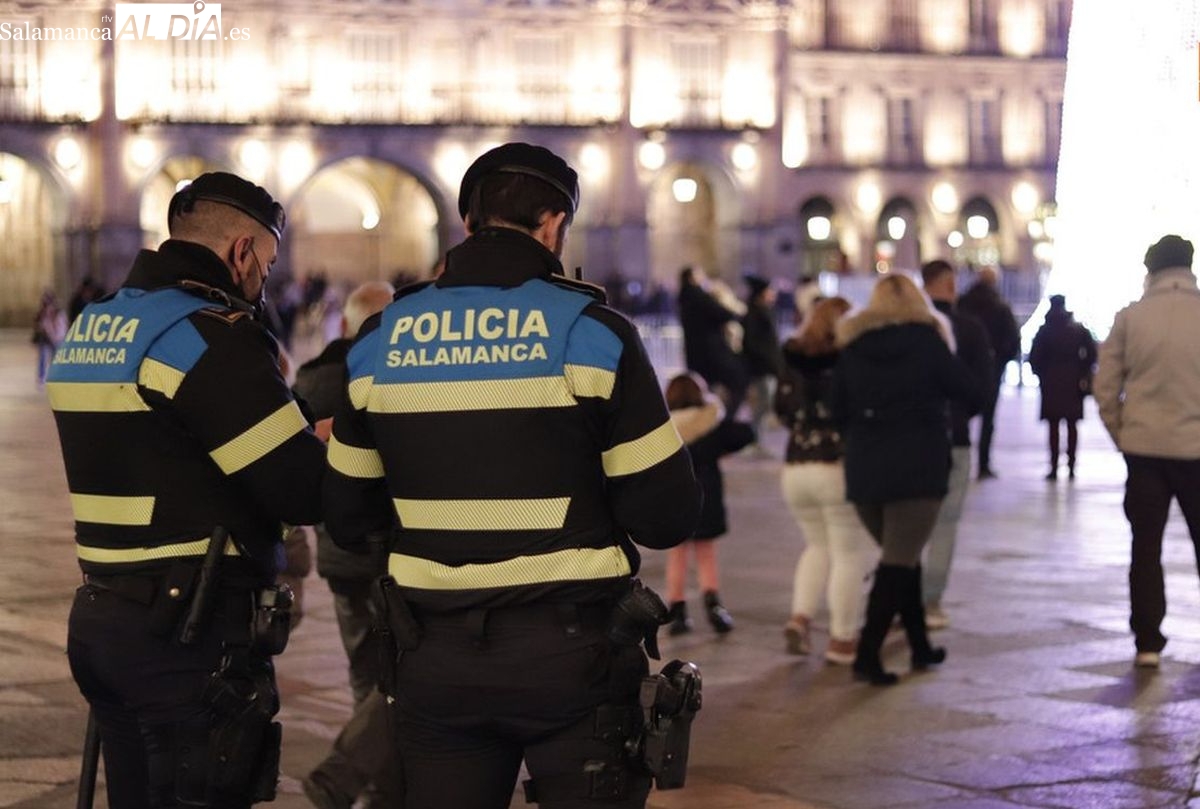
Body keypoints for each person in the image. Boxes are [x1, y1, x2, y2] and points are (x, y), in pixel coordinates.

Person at [322, 142, 703, 809]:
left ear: (468, 221)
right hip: (572, 658)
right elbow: (666, 514)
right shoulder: (592, 331)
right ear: (553, 224)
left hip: (431, 657)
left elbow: (348, 515)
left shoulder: (380, 340)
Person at [44, 172, 326, 807]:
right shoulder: (208, 335)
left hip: (105, 620)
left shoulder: (94, 327)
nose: (265, 282)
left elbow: (171, 440)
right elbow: (302, 491)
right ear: (242, 252)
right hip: (189, 636)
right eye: (268, 263)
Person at [832, 274, 979, 685]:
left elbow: (836, 407)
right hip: (919, 468)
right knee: (897, 562)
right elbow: (971, 390)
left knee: (904, 557)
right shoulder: (929, 342)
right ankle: (867, 655)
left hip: (866, 469)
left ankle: (919, 646)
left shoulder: (854, 346)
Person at [294, 280, 405, 809]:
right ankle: (360, 777)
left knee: (365, 668)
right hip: (389, 548)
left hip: (338, 553)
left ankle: (381, 788)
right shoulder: (394, 373)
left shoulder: (310, 378)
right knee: (405, 669)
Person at [1093, 235, 1200, 669]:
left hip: (1144, 450)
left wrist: (1125, 433)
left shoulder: (1130, 317)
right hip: (1196, 449)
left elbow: (1104, 388)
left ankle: (1148, 641)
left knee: (1145, 547)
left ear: (1151, 269)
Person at [775, 296, 876, 664]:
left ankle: (800, 618)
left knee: (816, 546)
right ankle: (842, 639)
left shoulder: (792, 359)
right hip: (835, 465)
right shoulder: (848, 360)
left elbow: (781, 411)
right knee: (849, 555)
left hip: (795, 467)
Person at [919, 260, 993, 629]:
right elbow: (982, 385)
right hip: (954, 435)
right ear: (949, 284)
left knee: (907, 521)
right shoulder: (969, 328)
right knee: (945, 522)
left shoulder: (910, 327)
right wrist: (963, 414)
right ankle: (930, 601)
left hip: (912, 438)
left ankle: (901, 593)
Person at [662, 372, 754, 636]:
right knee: (706, 554)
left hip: (673, 499)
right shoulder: (710, 424)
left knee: (676, 555)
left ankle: (676, 610)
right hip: (706, 498)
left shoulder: (664, 428)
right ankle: (714, 606)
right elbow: (746, 433)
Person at [957, 266, 1021, 479]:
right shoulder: (1000, 307)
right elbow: (1013, 340)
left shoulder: (962, 304)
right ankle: (983, 464)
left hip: (963, 369)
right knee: (988, 419)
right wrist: (1000, 359)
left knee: (960, 415)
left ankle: (958, 463)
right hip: (992, 370)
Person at [1029, 295, 1097, 481]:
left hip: (1051, 382)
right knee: (1072, 424)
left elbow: (1035, 357)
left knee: (1053, 426)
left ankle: (1053, 466)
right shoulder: (1077, 329)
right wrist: (1082, 372)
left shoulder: (1045, 330)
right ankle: (1071, 465)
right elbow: (1091, 354)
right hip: (1073, 382)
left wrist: (1042, 374)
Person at [677, 265, 749, 415]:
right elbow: (723, 314)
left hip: (696, 354)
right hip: (711, 353)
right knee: (738, 380)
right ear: (692, 277)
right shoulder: (698, 296)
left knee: (705, 390)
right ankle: (722, 420)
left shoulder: (684, 298)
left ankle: (709, 424)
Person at [740, 274, 783, 454]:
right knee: (760, 406)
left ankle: (757, 440)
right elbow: (755, 344)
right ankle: (753, 441)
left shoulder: (764, 311)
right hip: (761, 368)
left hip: (768, 367)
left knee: (764, 405)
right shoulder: (755, 314)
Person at [32, 289, 67, 384]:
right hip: (45, 339)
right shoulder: (42, 314)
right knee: (43, 357)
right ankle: (41, 376)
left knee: (56, 358)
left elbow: (62, 327)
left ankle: (55, 376)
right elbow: (39, 325)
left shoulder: (59, 313)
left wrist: (58, 337)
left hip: (58, 339)